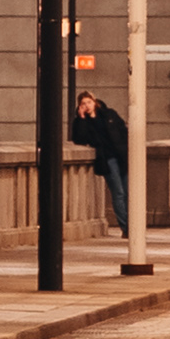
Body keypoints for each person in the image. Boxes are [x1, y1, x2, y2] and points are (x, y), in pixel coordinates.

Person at [73, 78, 129, 241]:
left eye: (89, 102)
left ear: (94, 101)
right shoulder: (81, 122)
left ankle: (133, 225)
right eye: (83, 104)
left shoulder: (109, 114)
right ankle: (126, 227)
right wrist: (81, 118)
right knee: (118, 193)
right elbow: (79, 139)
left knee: (128, 192)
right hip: (107, 159)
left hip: (121, 156)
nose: (87, 105)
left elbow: (122, 130)